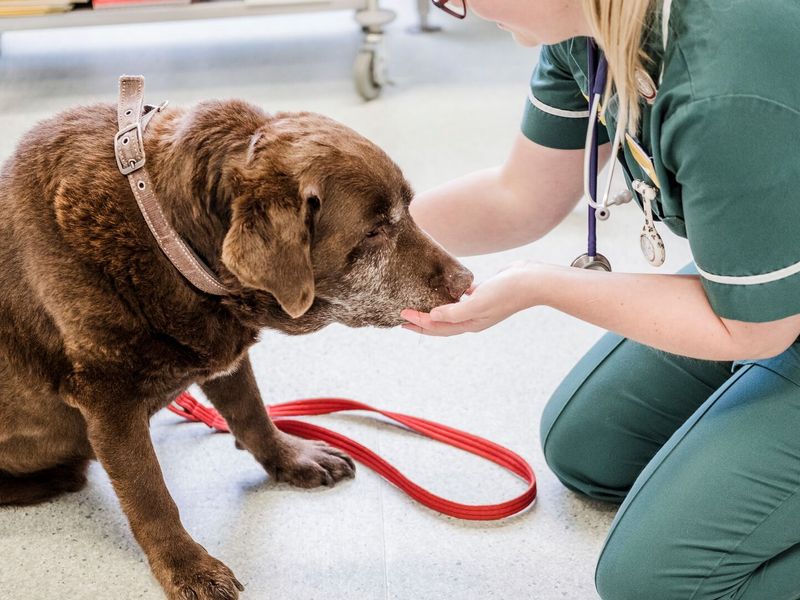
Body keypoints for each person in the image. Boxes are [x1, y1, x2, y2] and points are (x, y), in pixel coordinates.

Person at [401, 1, 800, 598]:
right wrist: (346, 242)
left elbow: (757, 334)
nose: (458, 7)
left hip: (768, 317)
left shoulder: (722, 85)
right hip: (774, 280)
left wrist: (541, 284)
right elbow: (520, 196)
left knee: (655, 583)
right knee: (591, 447)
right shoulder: (588, 27)